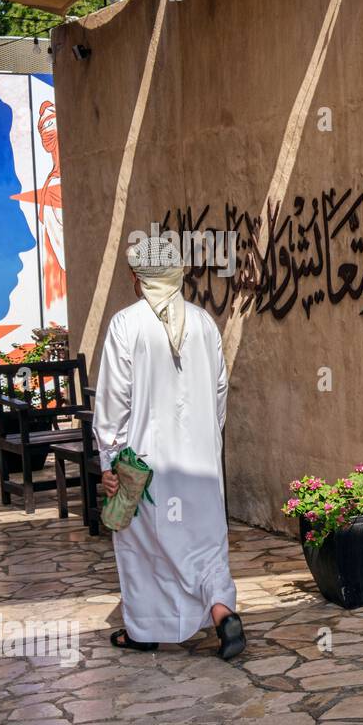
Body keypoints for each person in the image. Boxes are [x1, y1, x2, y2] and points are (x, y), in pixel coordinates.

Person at [93, 237, 244, 659]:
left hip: (143, 464)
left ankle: (144, 630)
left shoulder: (126, 324)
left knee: (144, 548)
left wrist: (109, 458)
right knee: (206, 543)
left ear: (137, 277)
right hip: (199, 466)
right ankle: (222, 615)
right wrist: (205, 445)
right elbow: (218, 396)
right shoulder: (205, 324)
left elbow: (112, 400)